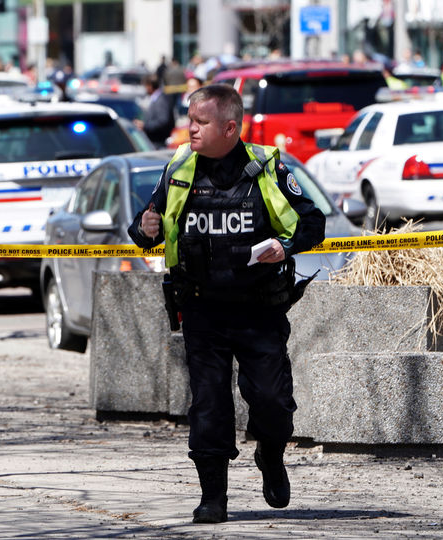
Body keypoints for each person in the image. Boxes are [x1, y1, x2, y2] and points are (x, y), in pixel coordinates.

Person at [128, 84, 325, 524]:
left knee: (273, 403)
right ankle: (213, 496)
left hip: (258, 310)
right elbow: (146, 230)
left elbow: (313, 223)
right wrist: (145, 227)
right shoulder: (180, 168)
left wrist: (283, 245)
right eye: (189, 120)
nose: (190, 129)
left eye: (200, 122)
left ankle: (270, 457)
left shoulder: (264, 169)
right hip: (202, 310)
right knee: (209, 406)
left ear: (230, 128)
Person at [135, 74, 175, 149]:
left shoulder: (161, 100)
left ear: (150, 86)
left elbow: (163, 120)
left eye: (145, 86)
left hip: (159, 142)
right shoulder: (155, 98)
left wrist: (145, 126)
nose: (145, 89)